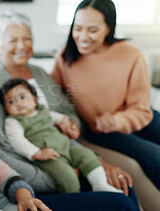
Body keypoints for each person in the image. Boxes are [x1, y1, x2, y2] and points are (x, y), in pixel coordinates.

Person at [0, 28, 139, 211]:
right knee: (119, 203)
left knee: (122, 185)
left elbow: (43, 126)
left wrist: (94, 160)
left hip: (52, 167)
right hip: (21, 192)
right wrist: (61, 175)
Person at [0, 9, 134, 195]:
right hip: (42, 160)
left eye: (27, 39)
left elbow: (67, 110)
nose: (22, 46)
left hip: (68, 147)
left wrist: (72, 124)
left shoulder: (40, 73)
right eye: (13, 40)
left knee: (124, 187)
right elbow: (7, 141)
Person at [51, 0, 160, 190]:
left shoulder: (131, 54)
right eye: (77, 28)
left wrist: (116, 120)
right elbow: (54, 98)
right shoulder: (64, 58)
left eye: (92, 30)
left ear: (108, 28)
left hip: (141, 118)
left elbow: (141, 109)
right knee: (156, 159)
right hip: (103, 131)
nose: (83, 37)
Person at [0, 78, 122, 194]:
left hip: (66, 148)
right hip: (48, 156)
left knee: (87, 155)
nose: (18, 103)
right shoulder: (13, 122)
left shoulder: (43, 111)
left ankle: (99, 184)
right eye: (11, 101)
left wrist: (67, 124)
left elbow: (60, 118)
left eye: (22, 97)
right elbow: (17, 141)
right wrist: (37, 153)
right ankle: (75, 200)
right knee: (67, 176)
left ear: (35, 99)